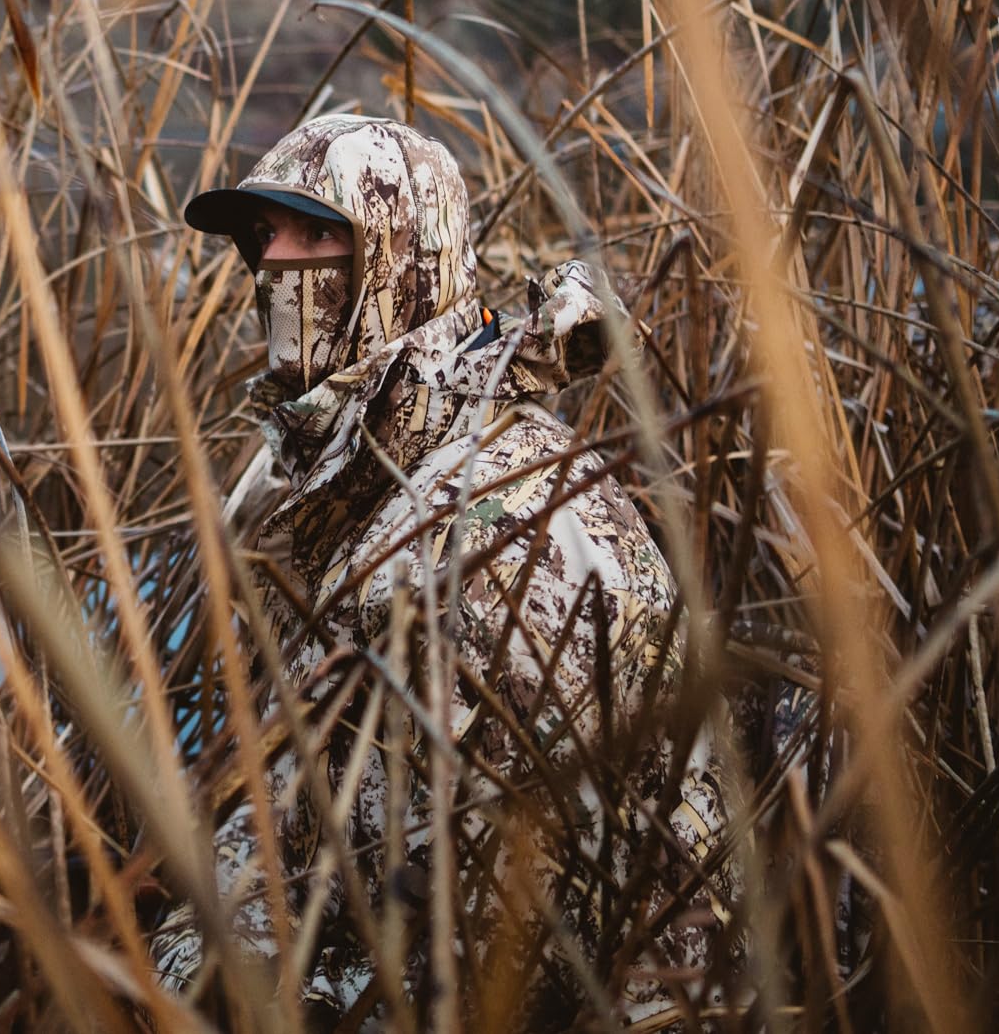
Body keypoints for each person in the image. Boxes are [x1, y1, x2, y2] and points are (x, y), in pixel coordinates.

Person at [158, 113, 731, 1023]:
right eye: (264, 235)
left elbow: (491, 969)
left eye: (317, 232)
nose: (274, 263)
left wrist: (224, 986)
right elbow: (317, 821)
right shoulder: (371, 474)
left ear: (401, 258)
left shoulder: (488, 528)